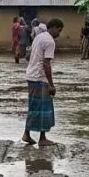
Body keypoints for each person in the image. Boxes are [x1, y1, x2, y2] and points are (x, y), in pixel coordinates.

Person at [23, 18, 64, 147]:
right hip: (40, 79)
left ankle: (30, 134)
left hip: (31, 76)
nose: (59, 34)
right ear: (54, 27)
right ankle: (40, 137)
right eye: (59, 30)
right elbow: (46, 63)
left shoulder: (39, 37)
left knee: (35, 107)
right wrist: (51, 84)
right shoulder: (50, 41)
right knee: (43, 109)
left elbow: (28, 56)